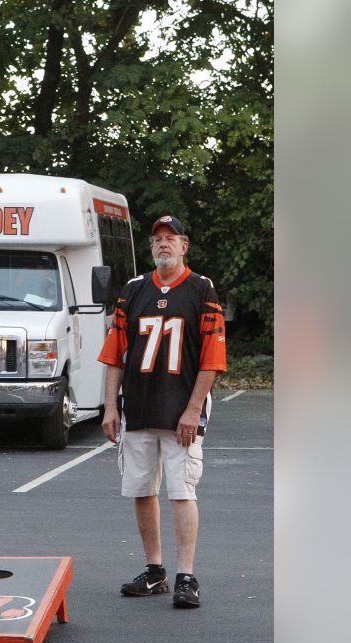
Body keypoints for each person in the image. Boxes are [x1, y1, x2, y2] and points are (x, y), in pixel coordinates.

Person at [98, 215, 226, 609]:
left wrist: (192, 410)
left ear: (184, 246)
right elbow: (115, 355)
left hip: (179, 411)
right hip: (137, 408)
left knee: (181, 491)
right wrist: (109, 407)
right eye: (157, 240)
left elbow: (212, 358)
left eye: (171, 239)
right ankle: (155, 571)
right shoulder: (134, 289)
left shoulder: (201, 288)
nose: (163, 245)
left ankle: (187, 575)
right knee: (141, 490)